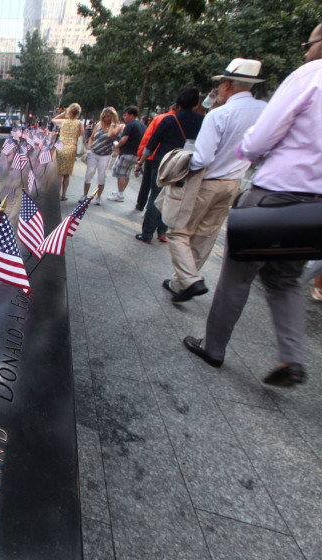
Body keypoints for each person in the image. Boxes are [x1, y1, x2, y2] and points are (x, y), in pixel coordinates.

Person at [183, 22, 322, 387]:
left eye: (309, 43)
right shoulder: (262, 101)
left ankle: (213, 346)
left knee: (237, 275)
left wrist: (249, 151)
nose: (306, 50)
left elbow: (259, 140)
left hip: (275, 191)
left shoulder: (309, 75)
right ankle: (291, 358)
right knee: (287, 280)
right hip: (314, 205)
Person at [163, 58, 267, 302]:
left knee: (178, 231)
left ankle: (189, 280)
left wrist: (183, 159)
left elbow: (202, 158)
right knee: (205, 234)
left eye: (220, 84)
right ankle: (182, 282)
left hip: (206, 181)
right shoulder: (265, 110)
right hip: (234, 182)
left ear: (227, 84)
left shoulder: (221, 114)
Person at [136, 88, 203, 243]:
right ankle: (162, 232)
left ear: (178, 103)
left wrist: (140, 162)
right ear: (196, 104)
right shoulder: (202, 120)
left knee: (155, 195)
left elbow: (151, 144)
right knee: (173, 197)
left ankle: (147, 234)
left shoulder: (169, 119)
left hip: (163, 161)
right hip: (185, 163)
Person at [134, 104, 177, 211]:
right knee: (161, 188)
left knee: (147, 182)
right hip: (172, 159)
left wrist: (140, 156)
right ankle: (157, 213)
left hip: (152, 156)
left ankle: (141, 204)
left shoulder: (160, 118)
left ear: (171, 108)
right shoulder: (186, 121)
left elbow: (147, 138)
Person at [109, 106, 147, 202]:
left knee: (121, 174)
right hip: (136, 154)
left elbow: (124, 139)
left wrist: (117, 146)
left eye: (125, 115)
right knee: (126, 174)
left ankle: (120, 195)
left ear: (131, 115)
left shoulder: (130, 125)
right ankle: (120, 192)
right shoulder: (142, 125)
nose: (124, 117)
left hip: (127, 152)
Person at [83, 107, 118, 204]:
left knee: (102, 176)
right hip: (94, 153)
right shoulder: (98, 124)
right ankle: (84, 195)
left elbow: (112, 135)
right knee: (88, 174)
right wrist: (89, 148)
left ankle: (98, 197)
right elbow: (92, 137)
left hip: (105, 155)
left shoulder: (115, 127)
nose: (107, 119)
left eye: (109, 117)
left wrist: (113, 124)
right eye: (105, 116)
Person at [52, 103, 86, 201]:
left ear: (69, 111)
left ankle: (57, 195)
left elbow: (53, 120)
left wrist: (63, 114)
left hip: (61, 146)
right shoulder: (80, 123)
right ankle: (64, 195)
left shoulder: (63, 121)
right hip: (71, 148)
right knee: (67, 174)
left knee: (59, 173)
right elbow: (82, 136)